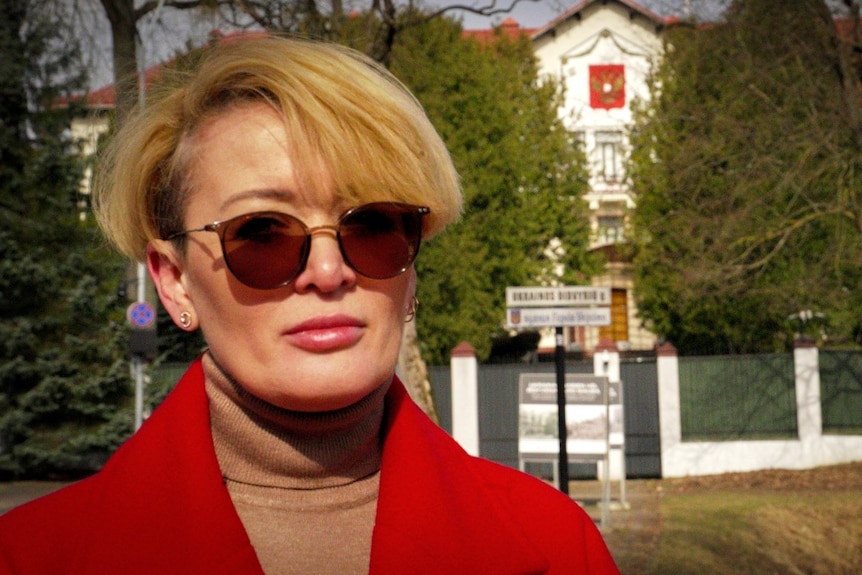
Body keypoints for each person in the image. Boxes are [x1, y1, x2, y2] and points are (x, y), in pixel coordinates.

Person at [0, 36, 619, 574]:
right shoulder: (29, 559)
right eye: (262, 233)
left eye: (373, 224)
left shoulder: (558, 546)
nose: (329, 272)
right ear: (174, 281)